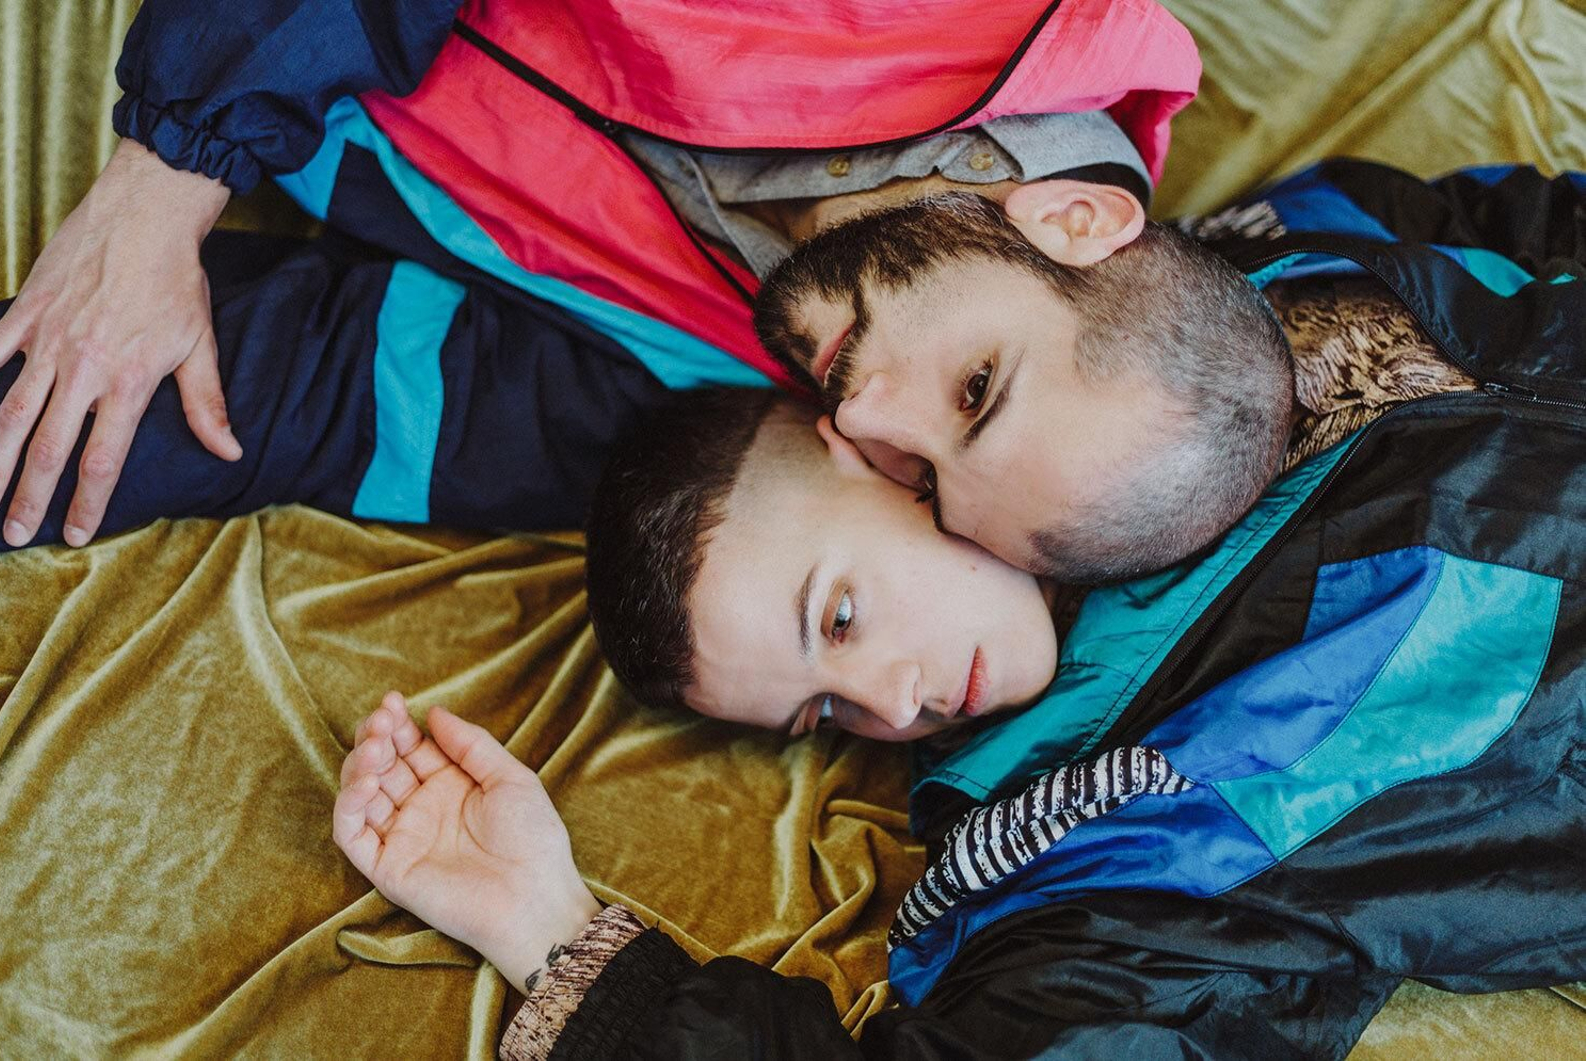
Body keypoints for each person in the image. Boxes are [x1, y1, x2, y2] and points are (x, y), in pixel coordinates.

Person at [335, 266, 1586, 1054]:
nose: (889, 701)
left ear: (880, 456)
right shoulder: (1112, 844)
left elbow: (1480, 236)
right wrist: (548, 928)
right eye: (822, 711)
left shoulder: (1171, 302)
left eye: (839, 619)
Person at [0, 0, 1199, 552]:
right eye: (975, 388)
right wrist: (164, 180)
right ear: (1075, 219)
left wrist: (41, 431)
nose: (864, 423)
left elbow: (352, 390)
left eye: (923, 483)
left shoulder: (771, 387)